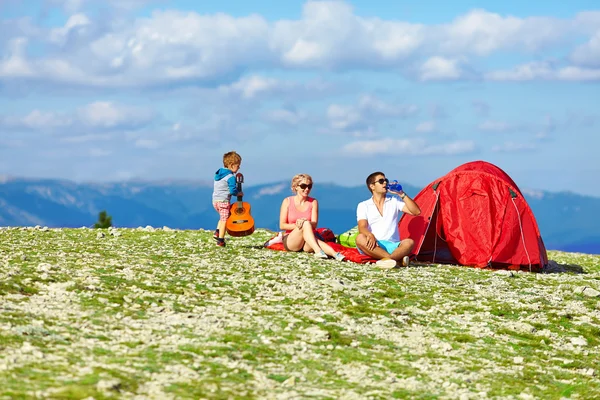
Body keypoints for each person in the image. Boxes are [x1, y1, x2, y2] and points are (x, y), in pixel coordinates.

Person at [356, 171, 421, 268]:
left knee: (409, 242)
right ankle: (395, 260)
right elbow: (362, 227)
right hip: (374, 245)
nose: (385, 183)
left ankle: (387, 260)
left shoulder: (394, 200)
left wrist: (401, 194)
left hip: (393, 245)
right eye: (381, 181)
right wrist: (370, 235)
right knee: (360, 238)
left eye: (386, 180)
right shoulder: (363, 205)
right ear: (372, 186)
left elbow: (416, 212)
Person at [279, 174, 345, 261]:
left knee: (312, 238)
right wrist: (300, 224)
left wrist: (304, 224)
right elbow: (282, 225)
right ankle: (320, 251)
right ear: (296, 187)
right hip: (291, 240)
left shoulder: (313, 202)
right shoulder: (287, 201)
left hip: (307, 241)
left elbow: (314, 224)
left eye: (309, 186)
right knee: (306, 224)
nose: (307, 189)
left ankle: (335, 254)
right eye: (303, 186)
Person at [212, 151, 243, 247]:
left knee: (222, 217)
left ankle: (217, 231)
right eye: (238, 165)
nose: (239, 168)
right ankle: (220, 240)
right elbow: (233, 190)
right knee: (225, 220)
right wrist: (239, 193)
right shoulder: (230, 177)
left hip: (215, 200)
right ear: (232, 165)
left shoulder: (219, 174)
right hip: (224, 201)